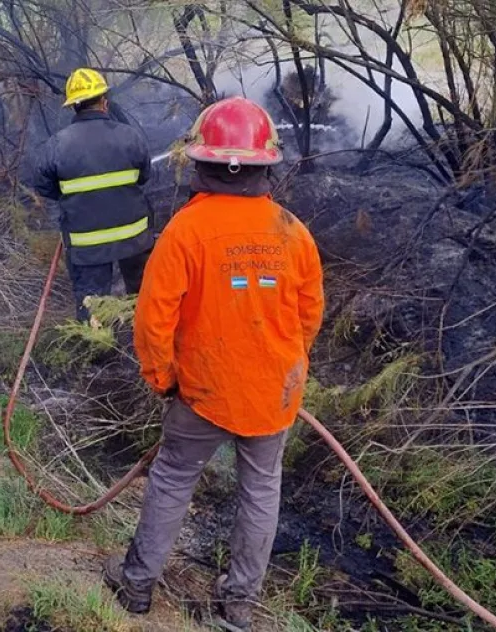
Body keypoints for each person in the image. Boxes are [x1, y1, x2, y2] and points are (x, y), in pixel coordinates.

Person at [103, 96, 326, 631]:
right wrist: (285, 369)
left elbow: (153, 321)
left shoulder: (186, 230)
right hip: (273, 395)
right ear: (264, 167)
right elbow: (309, 316)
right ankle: (239, 605)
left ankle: (136, 586)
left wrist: (163, 379)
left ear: (202, 163)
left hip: (201, 393)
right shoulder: (293, 232)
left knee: (174, 477)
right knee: (261, 488)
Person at [32, 68, 153, 322]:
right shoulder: (130, 136)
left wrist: (74, 197)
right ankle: (147, 341)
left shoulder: (57, 145)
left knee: (93, 304)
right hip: (135, 238)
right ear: (104, 101)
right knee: (145, 297)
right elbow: (144, 177)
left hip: (87, 245)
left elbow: (43, 186)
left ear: (73, 107)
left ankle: (100, 354)